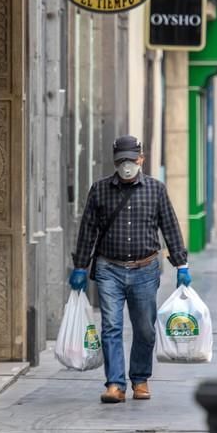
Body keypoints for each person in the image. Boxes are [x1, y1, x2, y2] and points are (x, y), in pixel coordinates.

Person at [69, 135, 191, 404]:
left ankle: (140, 379)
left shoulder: (156, 190)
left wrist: (181, 263)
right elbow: (88, 229)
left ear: (142, 159)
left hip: (145, 269)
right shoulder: (99, 190)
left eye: (131, 159)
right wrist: (80, 266)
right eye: (121, 160)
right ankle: (115, 384)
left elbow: (169, 226)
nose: (127, 165)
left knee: (145, 328)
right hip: (108, 268)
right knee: (111, 326)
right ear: (114, 161)